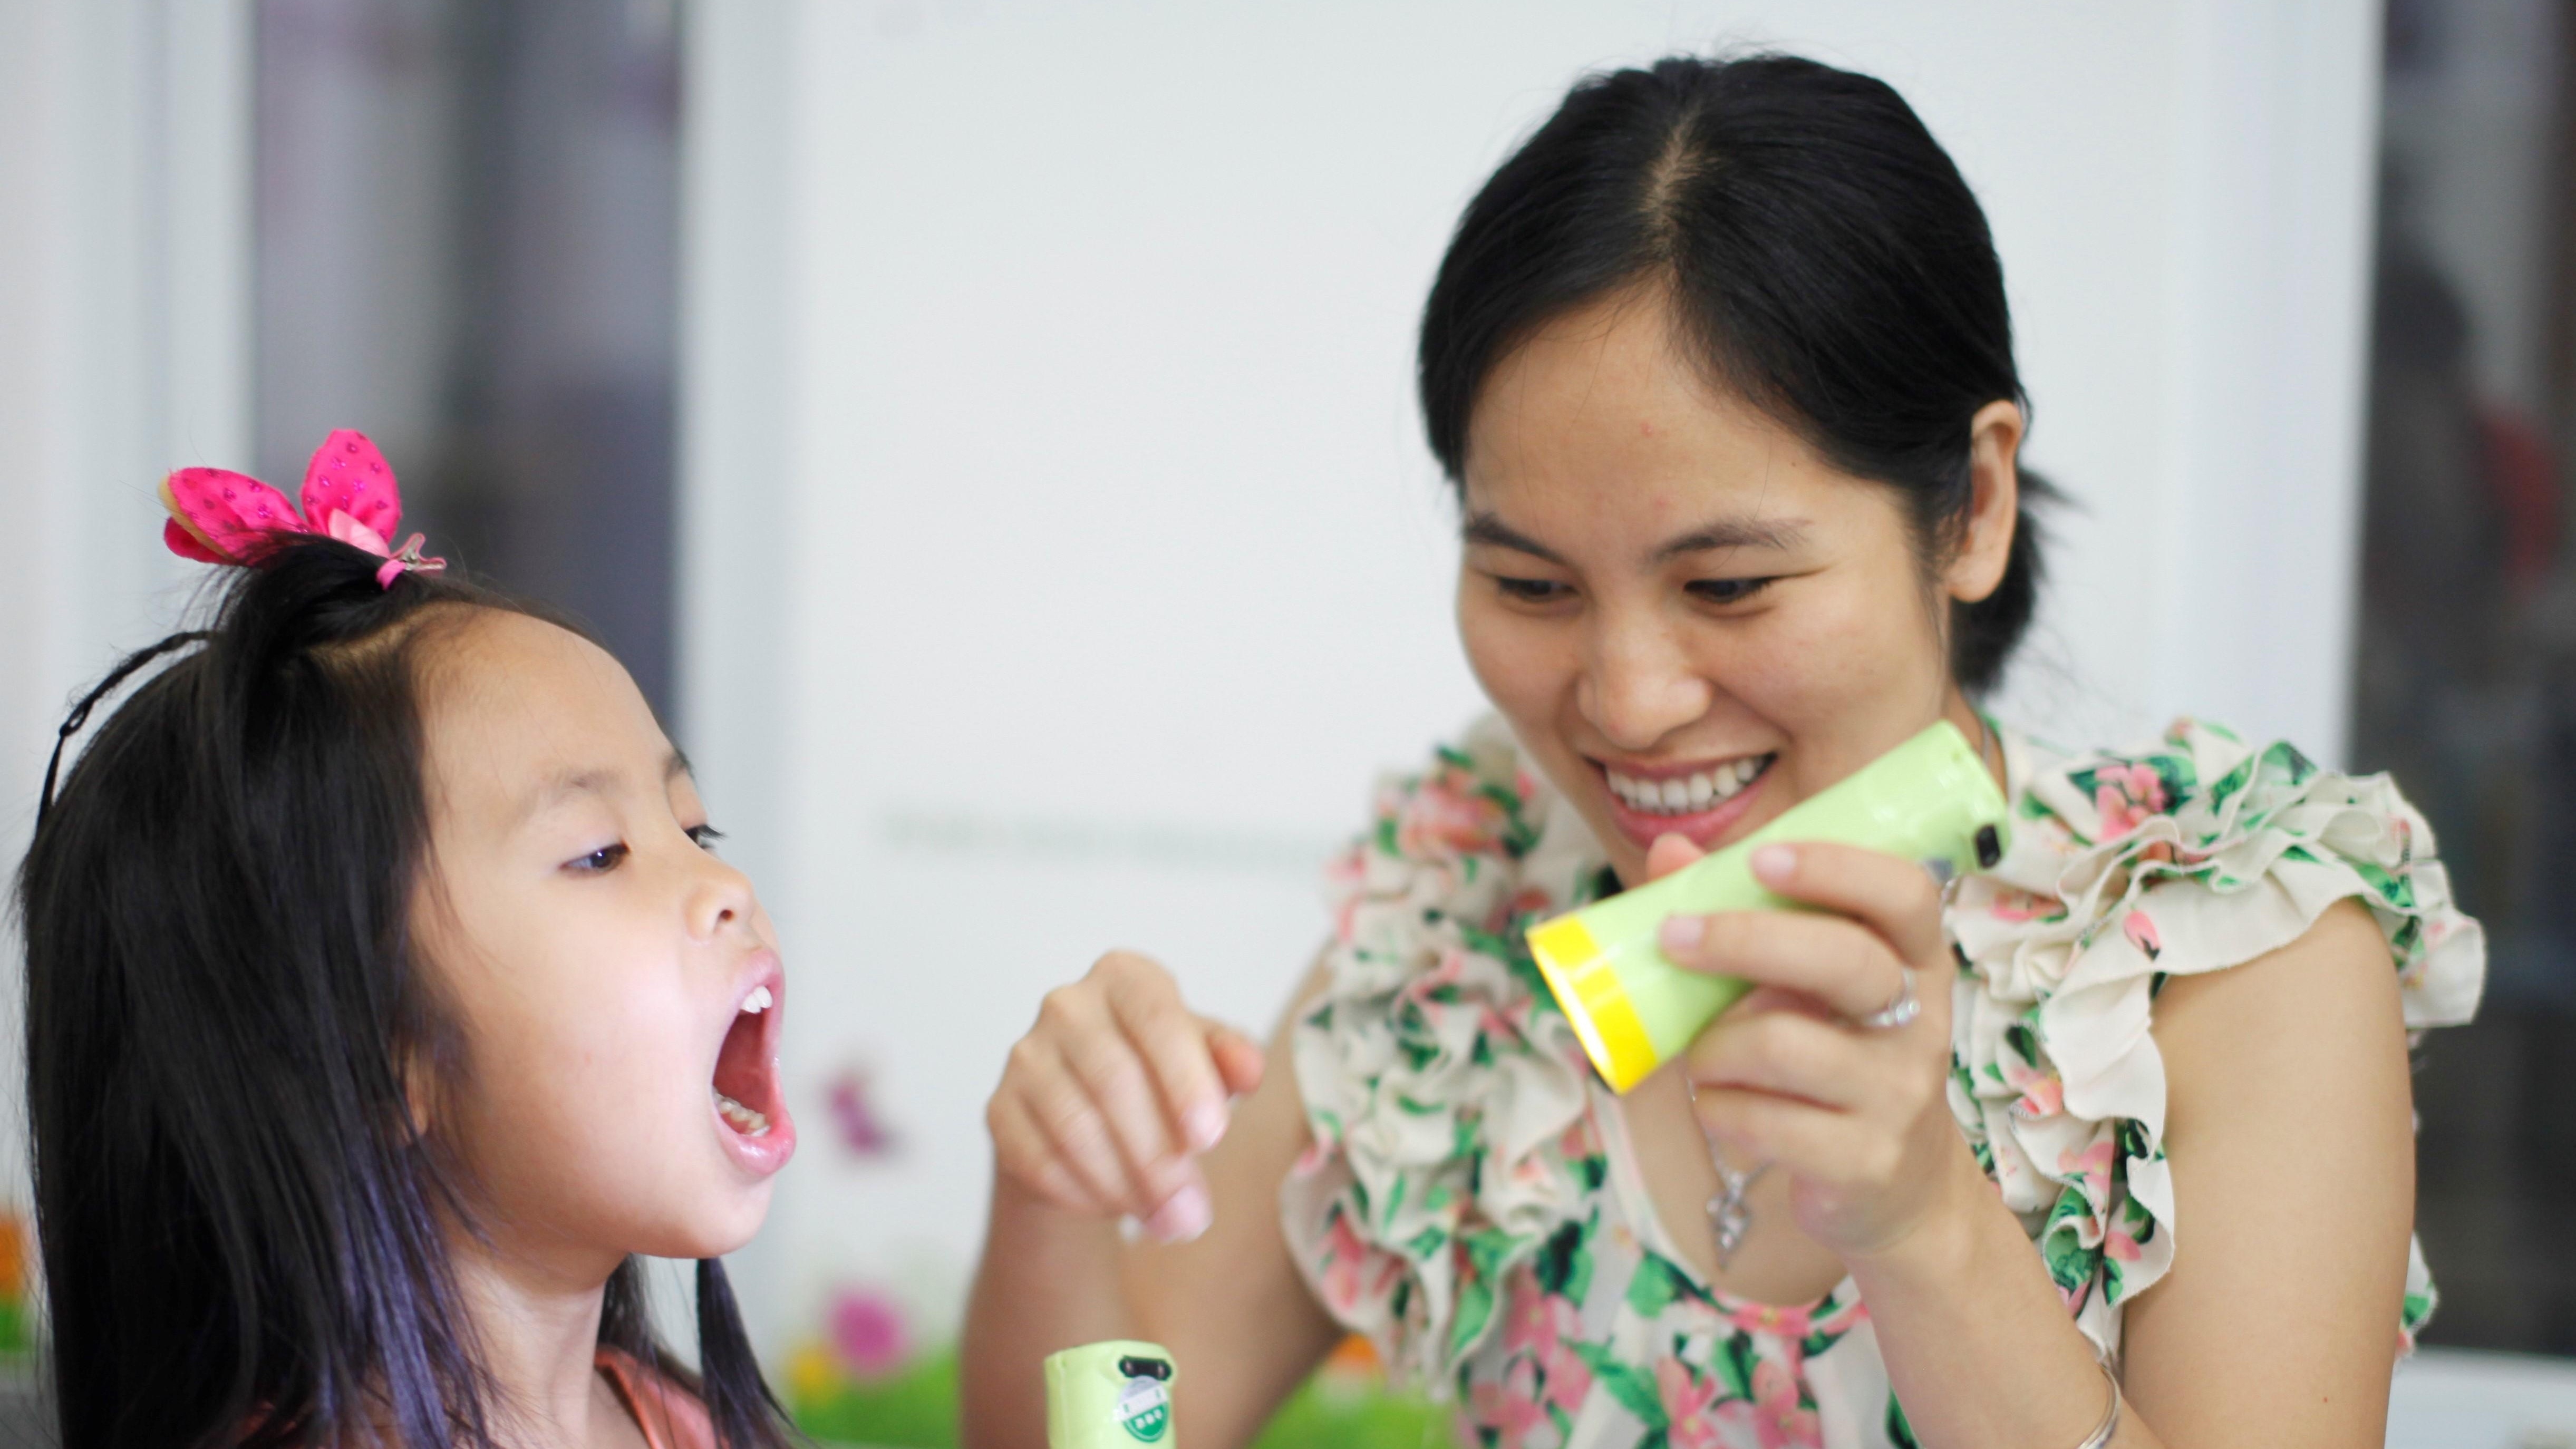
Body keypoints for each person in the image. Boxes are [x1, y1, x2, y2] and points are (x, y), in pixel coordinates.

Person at [961, 54, 2487, 1449]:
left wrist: (1923, 1225)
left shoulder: (2229, 954)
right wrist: (1054, 1197)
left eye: (1726, 585)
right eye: (1529, 584)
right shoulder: (1473, 898)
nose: (1623, 701)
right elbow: (1122, 1430)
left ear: (1969, 505)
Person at [20, 433, 799, 1449]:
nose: (724, 885)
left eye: (693, 830)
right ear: (370, 1060)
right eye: (602, 853)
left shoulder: (680, 1421)